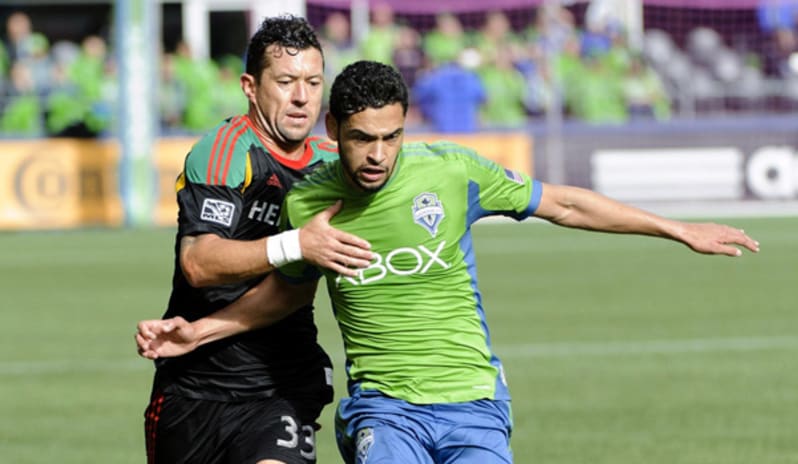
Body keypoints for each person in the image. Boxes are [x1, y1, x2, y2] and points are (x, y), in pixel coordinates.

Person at [136, 61, 760, 464]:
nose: (378, 154)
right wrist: (201, 331)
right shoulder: (311, 200)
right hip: (384, 409)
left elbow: (564, 204)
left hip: (475, 405)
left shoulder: (453, 172)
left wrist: (678, 228)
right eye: (361, 139)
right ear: (335, 128)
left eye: (391, 136)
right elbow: (287, 294)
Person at [138, 16, 374, 464]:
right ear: (250, 86)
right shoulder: (227, 150)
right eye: (285, 81)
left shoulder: (334, 167)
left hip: (281, 386)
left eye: (313, 81)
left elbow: (294, 287)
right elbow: (199, 263)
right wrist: (296, 245)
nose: (302, 97)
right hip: (195, 385)